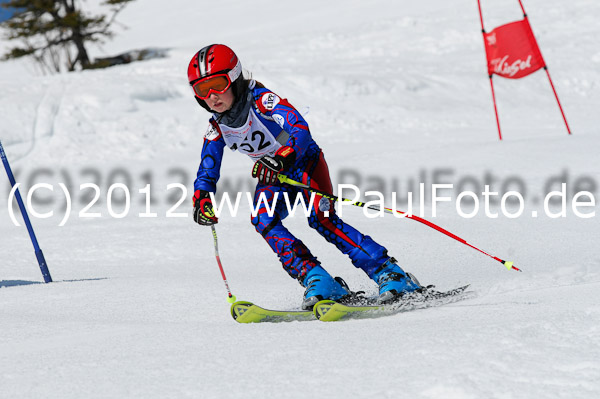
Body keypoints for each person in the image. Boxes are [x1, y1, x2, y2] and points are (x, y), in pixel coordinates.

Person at [189, 44, 420, 309]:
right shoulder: (217, 125)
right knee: (262, 219)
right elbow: (208, 164)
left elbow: (298, 127)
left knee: (322, 220)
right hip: (274, 176)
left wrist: (284, 154)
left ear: (235, 77)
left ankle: (390, 273)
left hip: (304, 163)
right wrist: (202, 196)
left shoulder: (261, 100)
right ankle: (317, 278)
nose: (212, 96)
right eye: (201, 90)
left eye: (217, 84)